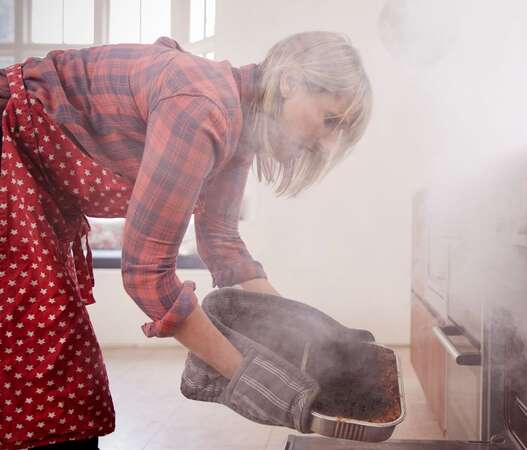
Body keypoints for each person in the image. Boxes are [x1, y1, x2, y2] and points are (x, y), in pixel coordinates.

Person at [0, 31, 373, 450]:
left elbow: (221, 241)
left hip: (33, 186)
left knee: (57, 386)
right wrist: (249, 374)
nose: (327, 143)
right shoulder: (202, 108)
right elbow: (146, 274)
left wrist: (302, 334)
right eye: (329, 120)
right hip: (7, 152)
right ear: (290, 82)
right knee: (46, 382)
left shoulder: (240, 121)